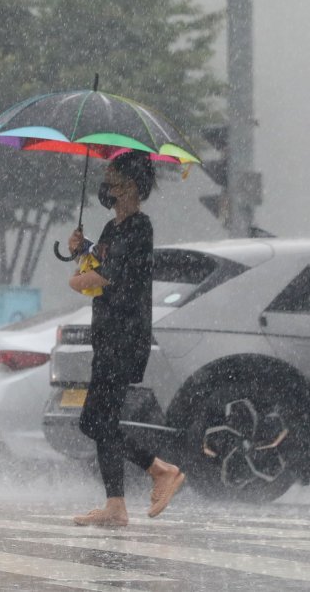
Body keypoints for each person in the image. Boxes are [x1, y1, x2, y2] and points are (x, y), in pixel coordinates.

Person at [66, 150, 185, 527]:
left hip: (126, 335)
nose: (108, 187)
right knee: (101, 419)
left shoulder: (139, 227)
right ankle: (115, 505)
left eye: (114, 180)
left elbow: (109, 276)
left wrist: (80, 280)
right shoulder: (111, 229)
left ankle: (160, 470)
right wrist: (79, 252)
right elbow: (97, 265)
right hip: (107, 333)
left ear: (132, 186)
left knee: (94, 421)